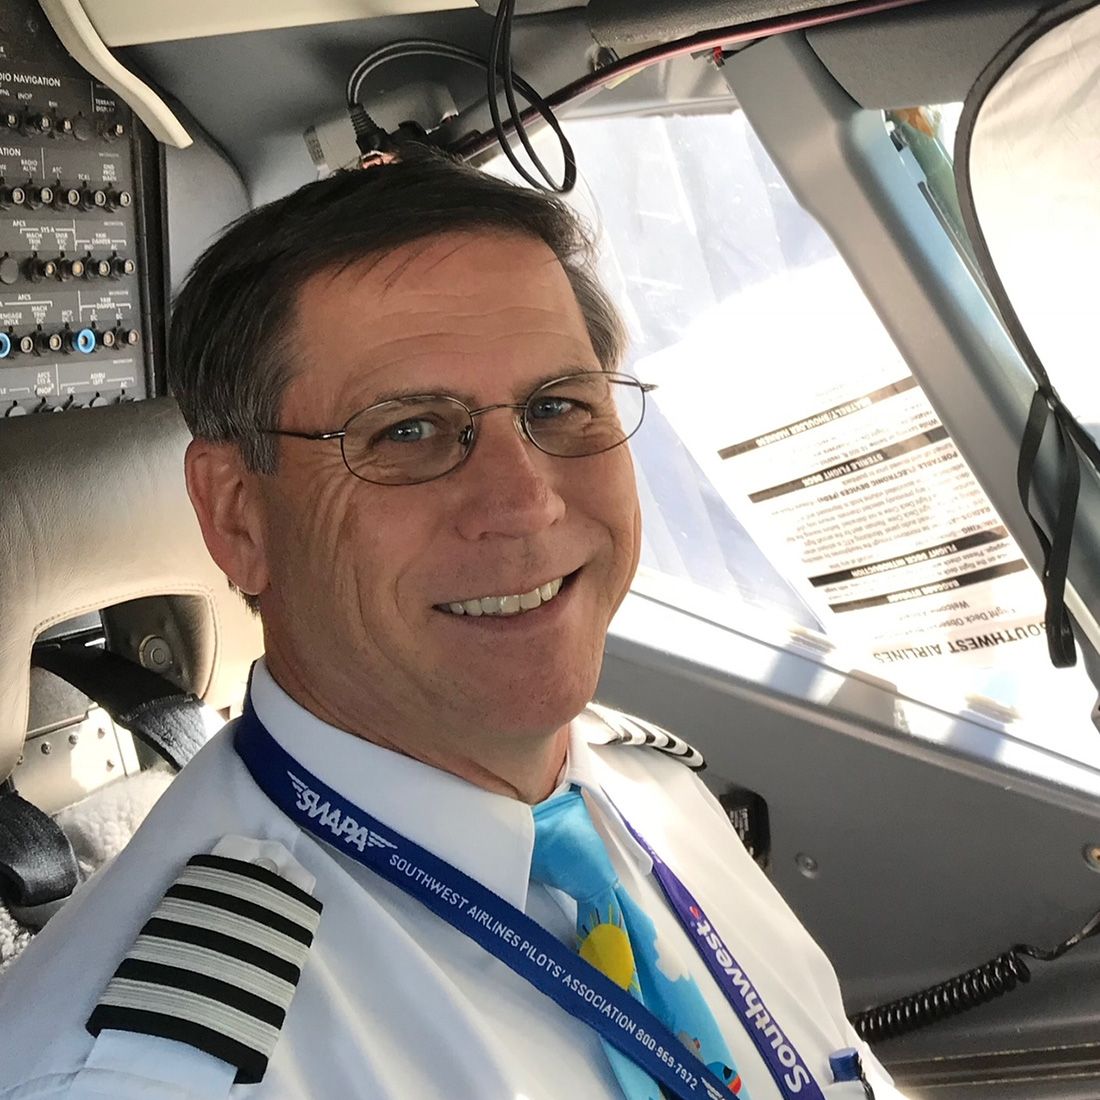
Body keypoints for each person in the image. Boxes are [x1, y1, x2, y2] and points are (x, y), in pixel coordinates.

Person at [0, 148, 903, 1100]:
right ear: (237, 516)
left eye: (559, 406)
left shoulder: (660, 806)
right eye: (408, 431)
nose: (526, 504)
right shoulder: (151, 1077)